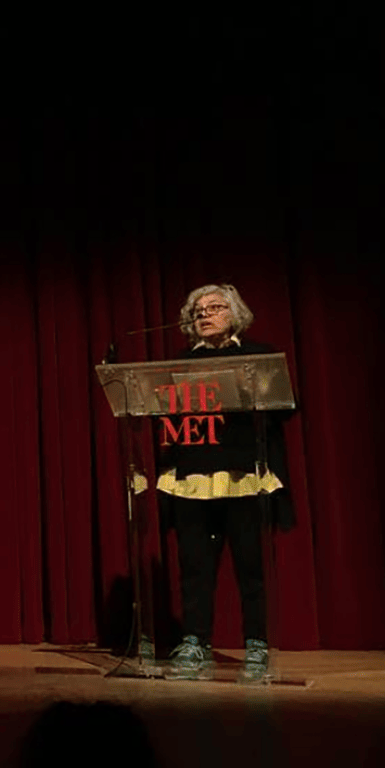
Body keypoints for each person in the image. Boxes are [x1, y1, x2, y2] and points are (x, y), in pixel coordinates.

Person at [157, 284, 294, 684]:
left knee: (251, 566)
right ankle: (195, 641)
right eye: (198, 310)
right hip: (193, 475)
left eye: (215, 307)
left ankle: (257, 645)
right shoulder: (179, 363)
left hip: (243, 474)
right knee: (195, 568)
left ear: (234, 315)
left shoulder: (259, 357)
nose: (205, 314)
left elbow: (286, 407)